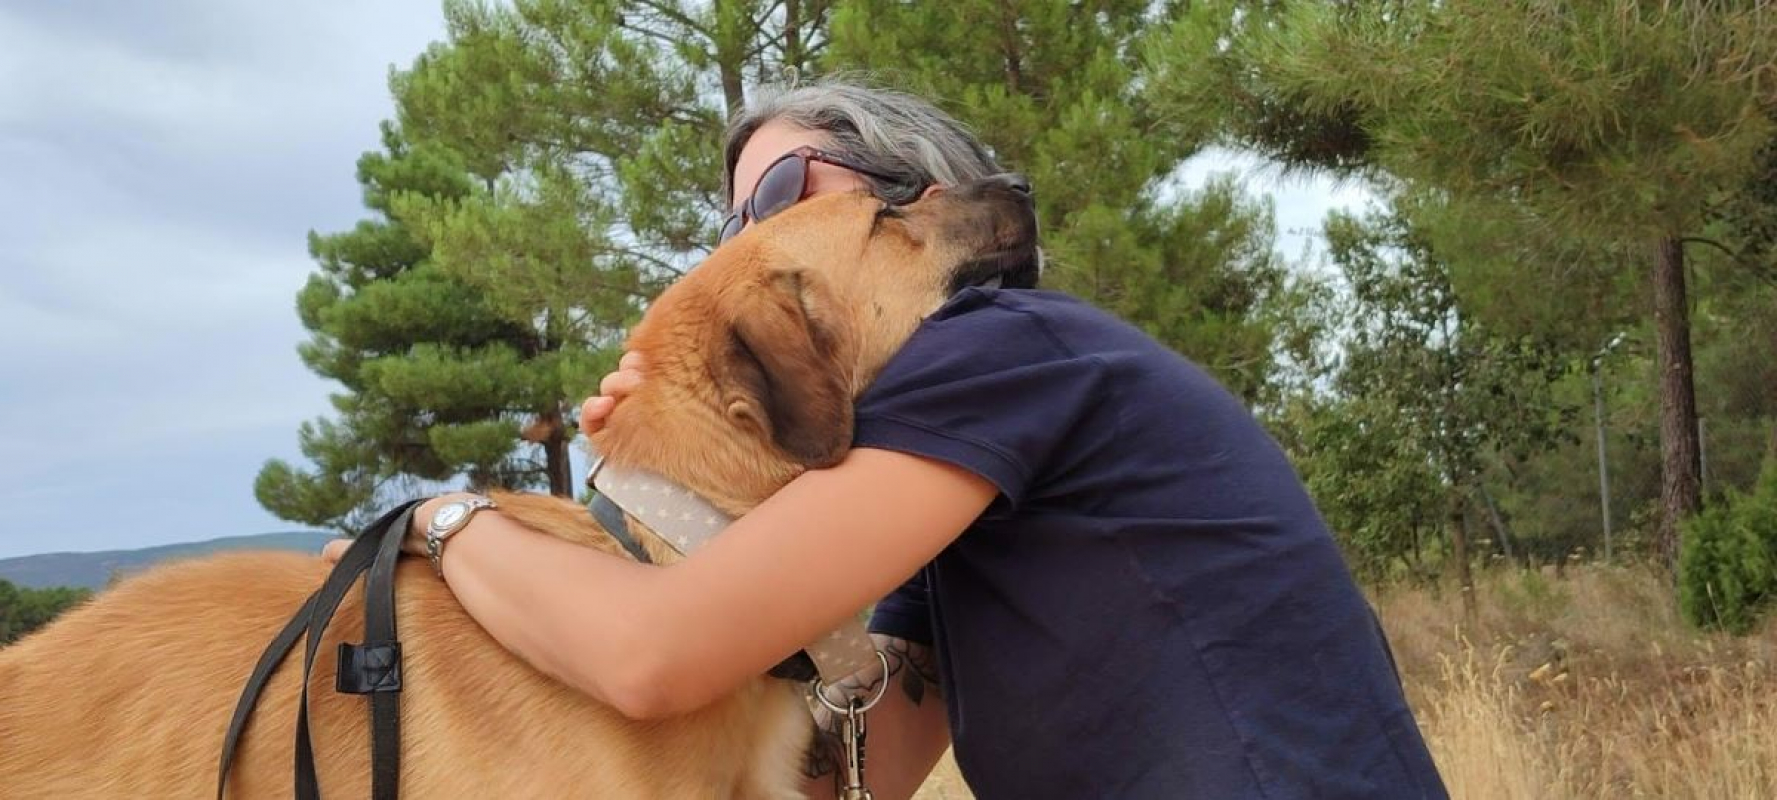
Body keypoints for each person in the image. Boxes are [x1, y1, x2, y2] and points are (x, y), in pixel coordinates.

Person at [327, 79, 1448, 799]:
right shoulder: (950, 482)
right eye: (729, 223)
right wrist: (670, 494)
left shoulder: (997, 340)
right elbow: (861, 768)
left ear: (922, 196)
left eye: (778, 192)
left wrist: (438, 521)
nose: (746, 247)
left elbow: (650, 655)